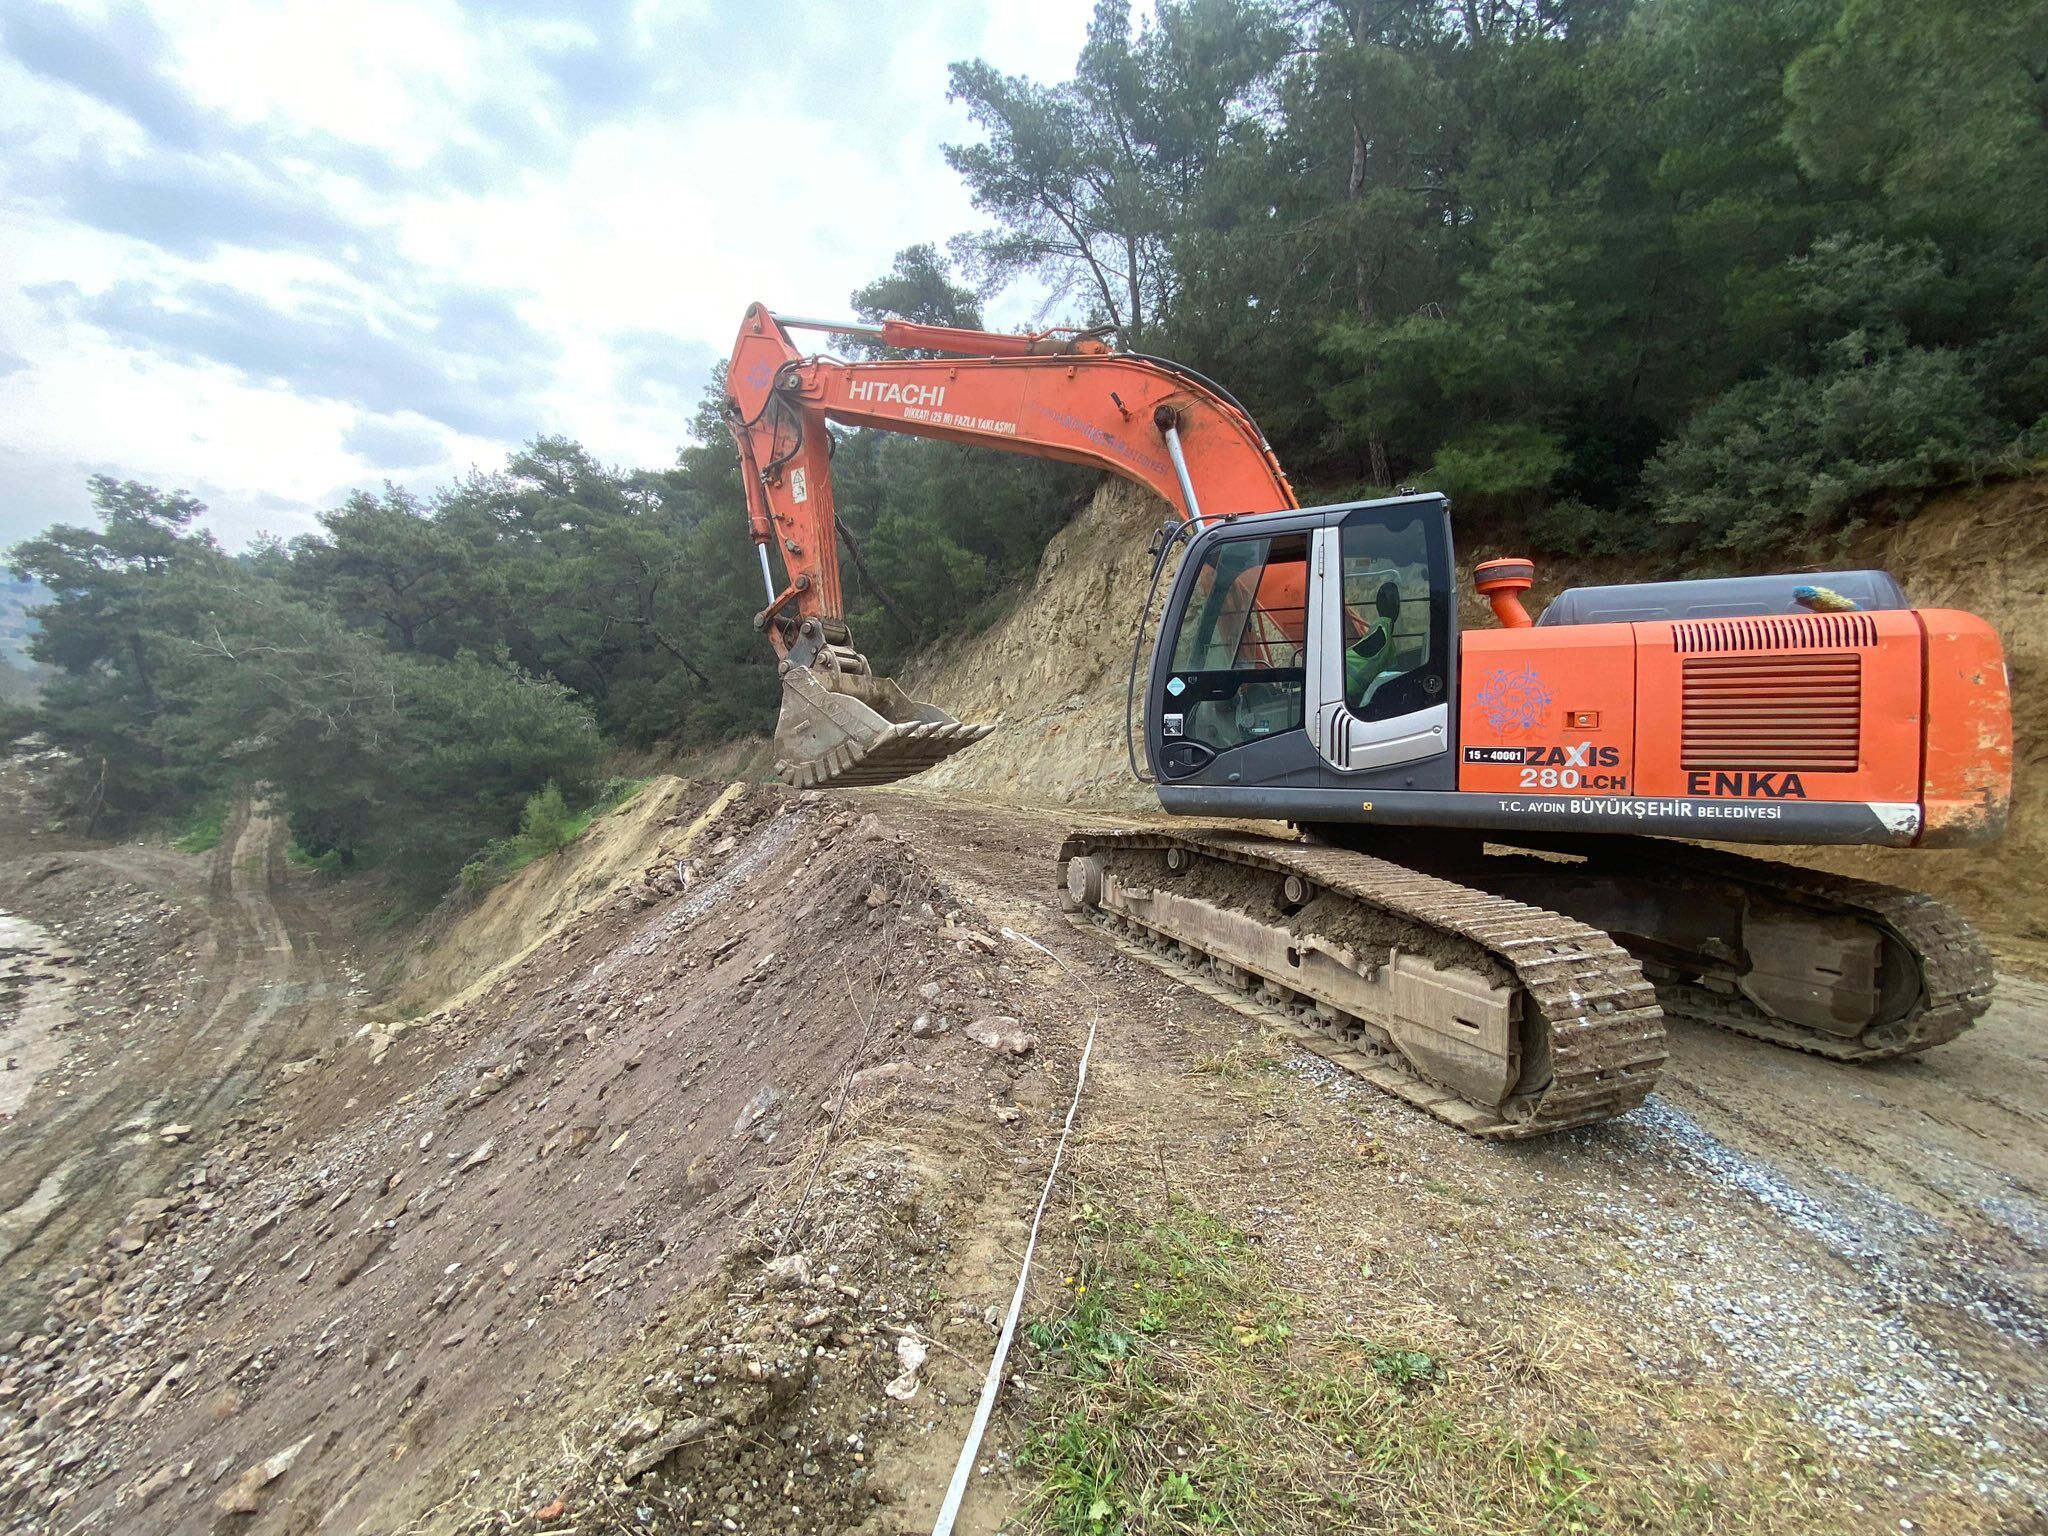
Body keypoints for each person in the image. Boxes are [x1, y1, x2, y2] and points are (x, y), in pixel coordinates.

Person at [1345, 580, 1402, 709]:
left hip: (1345, 689)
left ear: (1378, 606)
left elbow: (1361, 653)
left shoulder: (1380, 631)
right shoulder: (1386, 638)